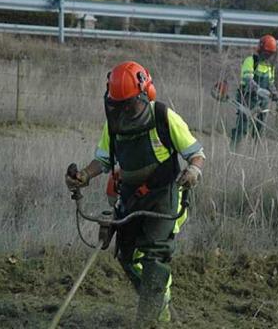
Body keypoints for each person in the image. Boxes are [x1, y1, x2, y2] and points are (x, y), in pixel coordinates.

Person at [65, 61, 205, 326]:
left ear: (145, 94)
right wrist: (83, 175)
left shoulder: (163, 117)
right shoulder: (115, 124)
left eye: (130, 105)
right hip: (130, 199)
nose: (126, 111)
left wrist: (193, 172)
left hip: (163, 196)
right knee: (127, 257)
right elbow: (104, 161)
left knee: (155, 256)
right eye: (120, 106)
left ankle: (150, 319)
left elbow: (196, 154)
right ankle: (156, 301)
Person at [231, 34, 278, 147]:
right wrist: (258, 90)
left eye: (270, 54)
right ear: (261, 50)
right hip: (247, 99)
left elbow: (271, 85)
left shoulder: (269, 67)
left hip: (262, 103)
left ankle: (255, 155)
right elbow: (247, 79)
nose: (268, 56)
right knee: (242, 128)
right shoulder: (250, 61)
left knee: (259, 131)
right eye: (266, 53)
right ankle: (234, 151)